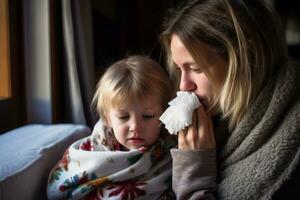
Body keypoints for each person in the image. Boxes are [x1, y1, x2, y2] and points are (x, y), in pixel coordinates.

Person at [160, 0, 300, 199]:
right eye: (179, 69)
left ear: (247, 59)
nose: (184, 86)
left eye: (196, 68)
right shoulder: (212, 123)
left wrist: (193, 174)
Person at [47, 55, 177, 200]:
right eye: (123, 117)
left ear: (165, 115)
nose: (135, 127)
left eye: (147, 116)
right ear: (108, 118)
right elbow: (59, 189)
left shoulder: (172, 155)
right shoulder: (89, 152)